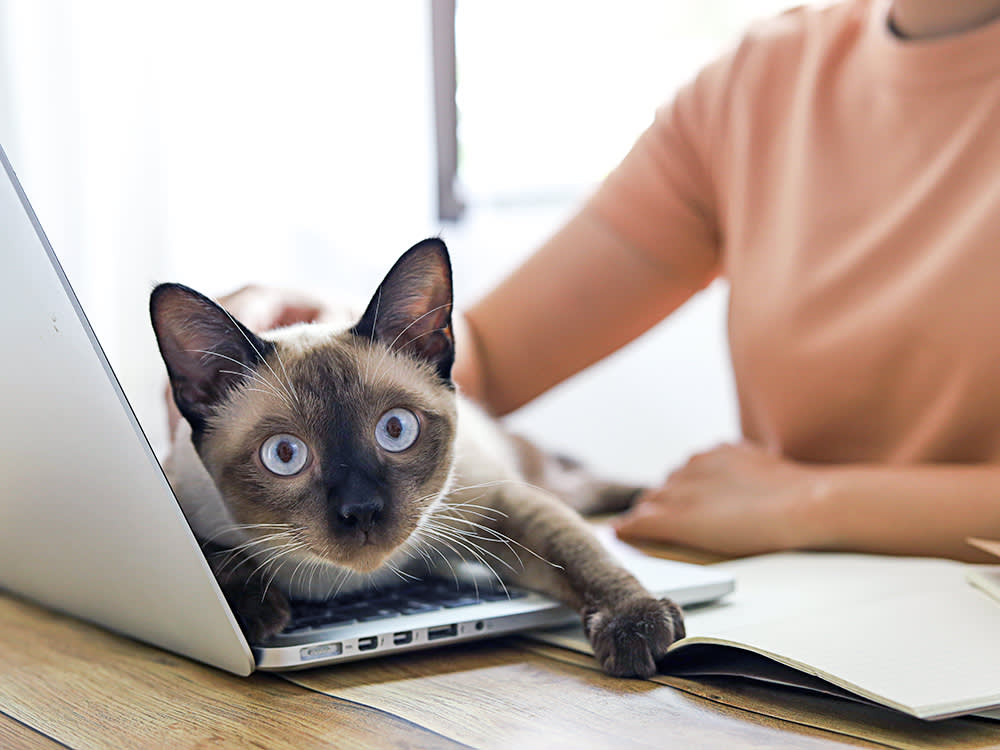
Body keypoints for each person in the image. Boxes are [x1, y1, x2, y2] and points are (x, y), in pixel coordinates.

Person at [197, 0, 1000, 563]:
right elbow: (489, 359)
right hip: (810, 629)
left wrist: (816, 506)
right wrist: (331, 339)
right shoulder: (761, 82)